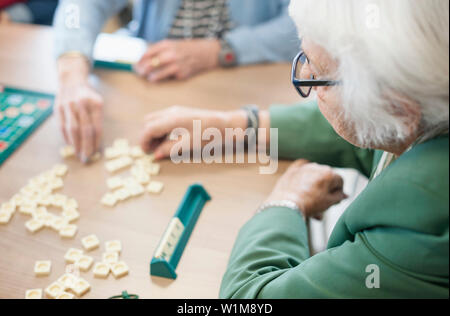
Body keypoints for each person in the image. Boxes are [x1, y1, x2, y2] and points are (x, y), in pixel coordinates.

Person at [139, 0, 449, 298]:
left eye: (318, 75)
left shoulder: (421, 225)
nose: (307, 84)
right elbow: (374, 131)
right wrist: (235, 126)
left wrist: (284, 204)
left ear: (396, 110)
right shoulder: (425, 101)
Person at [52, 0, 300, 162]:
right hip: (153, 87)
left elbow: (301, 21)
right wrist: (72, 68)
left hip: (250, 91)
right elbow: (77, 5)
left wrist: (221, 50)